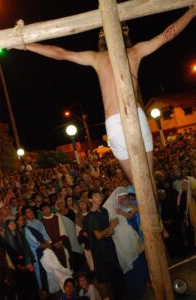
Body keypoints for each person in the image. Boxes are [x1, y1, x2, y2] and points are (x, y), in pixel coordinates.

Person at [12, 5, 196, 181]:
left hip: (120, 121)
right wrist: (27, 45)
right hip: (127, 120)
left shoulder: (106, 56)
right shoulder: (130, 52)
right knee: (146, 180)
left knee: (141, 182)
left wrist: (27, 45)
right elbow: (166, 35)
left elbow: (61, 53)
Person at [84, 189, 126, 300]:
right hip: (100, 250)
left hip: (109, 246)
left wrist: (110, 228)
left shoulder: (103, 211)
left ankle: (121, 295)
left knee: (116, 272)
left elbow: (107, 228)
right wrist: (110, 228)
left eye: (100, 195)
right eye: (96, 195)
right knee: (107, 278)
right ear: (90, 200)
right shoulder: (90, 217)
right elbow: (98, 235)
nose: (99, 197)